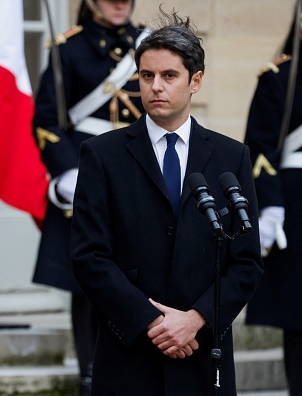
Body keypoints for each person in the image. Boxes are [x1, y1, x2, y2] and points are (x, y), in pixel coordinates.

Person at [70, 9, 263, 395]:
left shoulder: (231, 157)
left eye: (168, 76)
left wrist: (196, 320)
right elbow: (89, 256)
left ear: (196, 81)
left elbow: (245, 262)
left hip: (203, 354)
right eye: (146, 76)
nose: (155, 86)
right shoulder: (101, 154)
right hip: (129, 355)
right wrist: (151, 322)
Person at [31, 1, 146, 393]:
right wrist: (65, 169)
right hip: (86, 168)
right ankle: (90, 372)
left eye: (125, 0)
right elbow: (46, 120)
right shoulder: (69, 48)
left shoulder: (146, 42)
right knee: (90, 280)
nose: (119, 5)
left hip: (136, 168)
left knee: (141, 271)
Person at [244, 8, 302, 396]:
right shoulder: (279, 78)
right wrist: (271, 205)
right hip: (297, 206)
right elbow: (260, 151)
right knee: (299, 318)